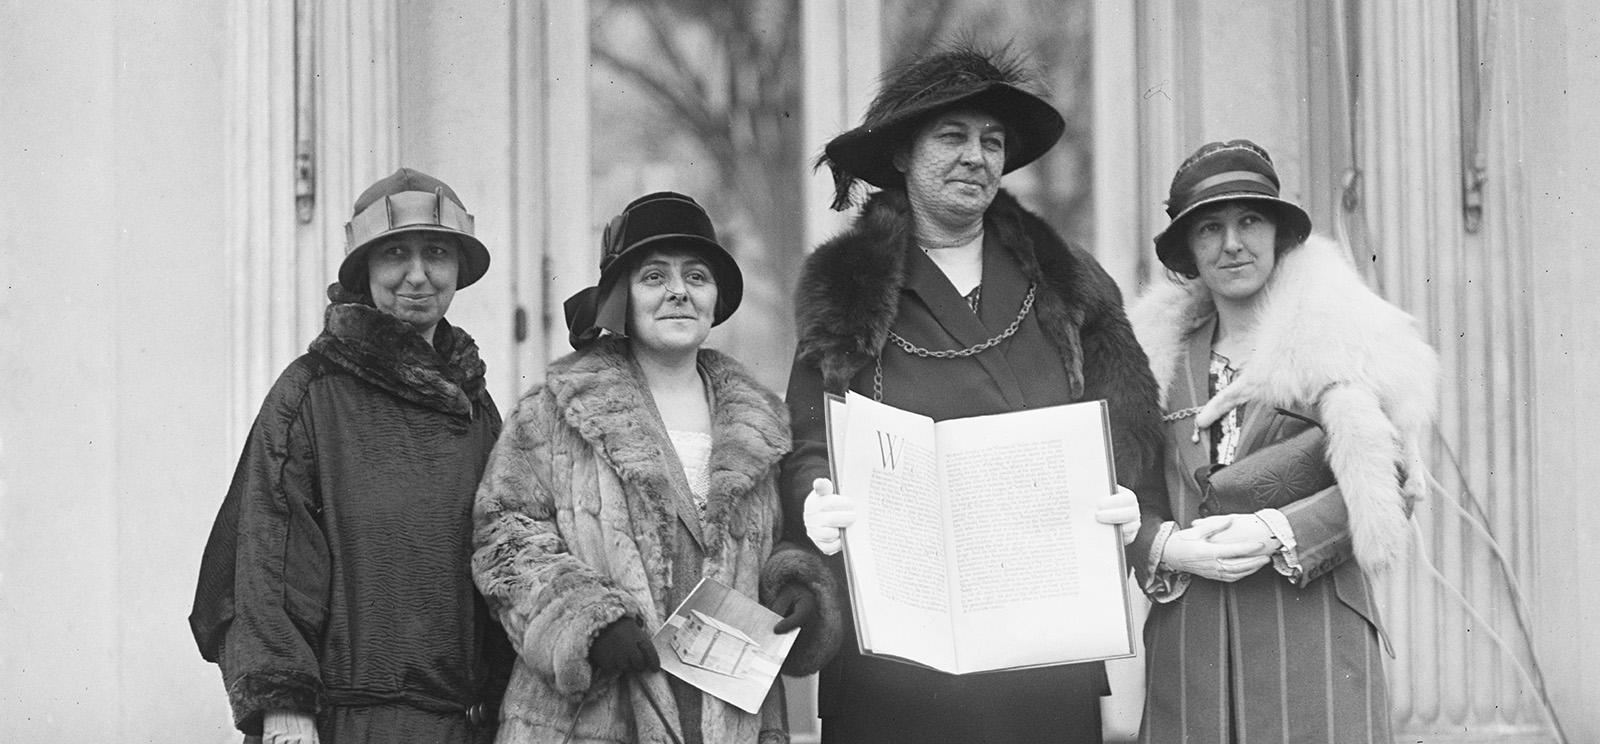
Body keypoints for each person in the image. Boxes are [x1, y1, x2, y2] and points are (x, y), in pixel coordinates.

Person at [784, 44, 1166, 743]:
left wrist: (1121, 499)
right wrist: (817, 500)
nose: (976, 157)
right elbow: (809, 448)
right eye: (952, 136)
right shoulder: (847, 287)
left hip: (1042, 650)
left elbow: (1131, 437)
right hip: (895, 660)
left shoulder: (1068, 283)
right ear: (902, 154)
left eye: (992, 141)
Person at [472, 191, 842, 744]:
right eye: (653, 277)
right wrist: (586, 620)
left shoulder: (761, 423)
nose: (678, 292)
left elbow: (785, 536)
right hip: (592, 715)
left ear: (715, 299)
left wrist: (796, 583)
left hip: (730, 714)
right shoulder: (555, 409)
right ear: (622, 297)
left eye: (696, 277)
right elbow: (504, 536)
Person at [1127, 139, 1438, 743]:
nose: (1233, 243)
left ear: (1280, 235)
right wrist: (1165, 546)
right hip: (1192, 643)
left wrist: (1277, 532)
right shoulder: (1153, 362)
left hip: (1313, 632)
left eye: (1250, 221)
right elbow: (1124, 495)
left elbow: (1391, 480)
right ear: (1189, 250)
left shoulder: (1339, 341)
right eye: (1210, 228)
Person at [189, 167, 513, 743]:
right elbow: (262, 561)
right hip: (342, 726)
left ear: (459, 268)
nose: (418, 274)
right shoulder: (311, 393)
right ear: (365, 269)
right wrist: (284, 708)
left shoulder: (478, 409)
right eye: (395, 254)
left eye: (436, 252)